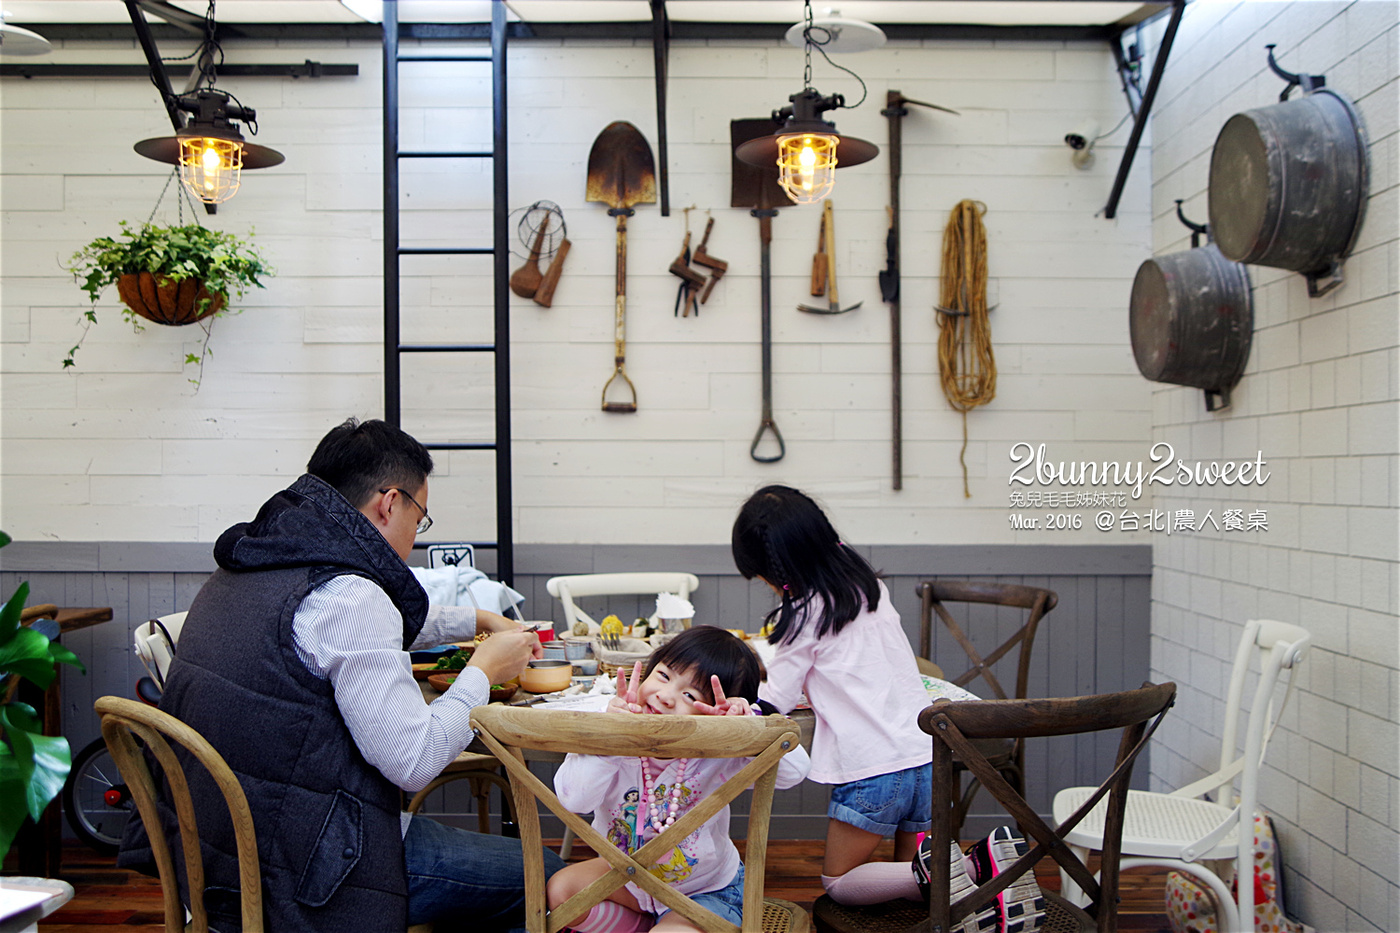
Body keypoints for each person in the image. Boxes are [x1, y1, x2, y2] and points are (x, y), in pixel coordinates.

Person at [120, 417, 563, 932]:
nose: (416, 537)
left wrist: (477, 619)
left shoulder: (260, 557)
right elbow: (413, 761)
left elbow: (348, 628)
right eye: (420, 519)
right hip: (307, 866)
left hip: (213, 846)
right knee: (548, 875)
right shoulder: (349, 594)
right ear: (390, 502)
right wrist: (484, 671)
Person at [731, 485, 1045, 932]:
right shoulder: (868, 587)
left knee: (839, 883)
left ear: (778, 568)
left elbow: (775, 702)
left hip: (874, 773)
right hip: (927, 760)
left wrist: (742, 707)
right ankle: (981, 896)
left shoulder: (802, 615)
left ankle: (977, 869)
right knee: (918, 887)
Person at [547, 627, 811, 933]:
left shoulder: (719, 753)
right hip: (630, 880)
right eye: (663, 675)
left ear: (715, 713)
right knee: (561, 891)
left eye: (690, 695)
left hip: (706, 891)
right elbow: (573, 801)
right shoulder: (608, 723)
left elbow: (795, 770)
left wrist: (745, 728)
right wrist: (610, 739)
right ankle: (645, 926)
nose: (666, 697)